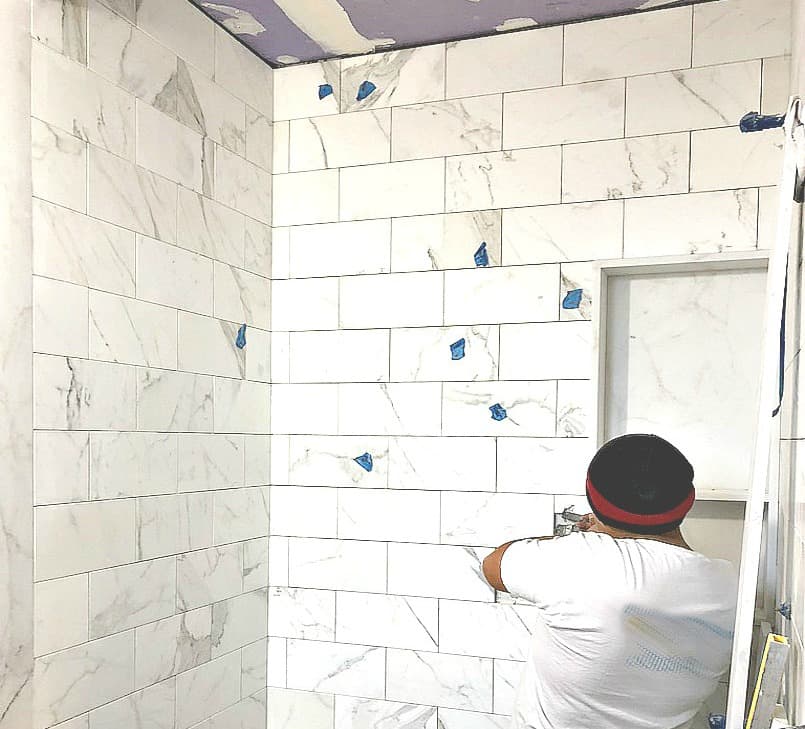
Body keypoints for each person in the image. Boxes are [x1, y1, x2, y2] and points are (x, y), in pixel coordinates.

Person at [482, 433, 738, 729]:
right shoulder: (728, 585)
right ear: (688, 501)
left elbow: (493, 566)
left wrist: (580, 539)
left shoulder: (576, 560)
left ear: (594, 500)